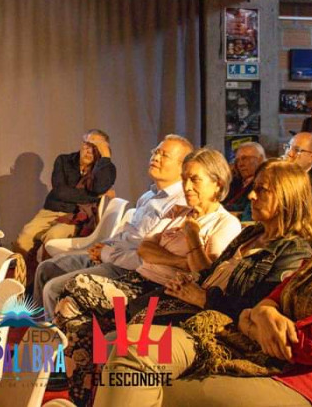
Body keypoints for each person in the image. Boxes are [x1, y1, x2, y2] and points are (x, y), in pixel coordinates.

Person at [93, 149, 312, 407]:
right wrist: (260, 314)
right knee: (131, 341)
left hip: (305, 383)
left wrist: (251, 315)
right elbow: (269, 301)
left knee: (144, 384)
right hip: (241, 337)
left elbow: (303, 346)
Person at [52, 148, 241, 405]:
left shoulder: (225, 223)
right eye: (184, 178)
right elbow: (145, 249)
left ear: (217, 183)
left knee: (78, 284)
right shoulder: (179, 212)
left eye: (194, 179)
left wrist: (193, 236)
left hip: (161, 290)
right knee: (68, 305)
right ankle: (85, 391)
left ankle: (89, 387)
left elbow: (205, 271)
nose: (186, 186)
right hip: (137, 279)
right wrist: (181, 260)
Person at [138, 159, 312, 326]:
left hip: (215, 321)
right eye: (253, 188)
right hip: (187, 301)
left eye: (261, 189)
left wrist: (203, 297)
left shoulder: (293, 251)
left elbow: (257, 310)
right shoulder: (250, 233)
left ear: (286, 196)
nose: (251, 196)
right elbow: (209, 271)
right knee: (121, 319)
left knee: (130, 335)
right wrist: (189, 282)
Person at [33, 135, 192, 318]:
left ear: (183, 167)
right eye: (155, 152)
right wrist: (106, 245)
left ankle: (55, 342)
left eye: (164, 155)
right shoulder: (149, 195)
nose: (155, 158)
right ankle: (39, 329)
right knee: (46, 269)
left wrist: (106, 253)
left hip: (129, 270)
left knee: (54, 288)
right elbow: (127, 232)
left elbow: (145, 253)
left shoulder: (178, 204)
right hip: (113, 255)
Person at [13, 129, 116, 256]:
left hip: (77, 216)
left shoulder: (105, 169)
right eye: (87, 144)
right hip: (52, 210)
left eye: (95, 147)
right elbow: (60, 192)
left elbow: (99, 187)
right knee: (24, 237)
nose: (89, 150)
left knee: (53, 237)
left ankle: (45, 273)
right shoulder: (64, 161)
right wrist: (93, 197)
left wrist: (105, 157)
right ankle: (22, 273)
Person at [222, 142, 265, 219]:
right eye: (237, 160)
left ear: (260, 159)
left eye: (245, 158)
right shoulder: (234, 182)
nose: (240, 164)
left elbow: (245, 208)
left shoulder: (263, 183)